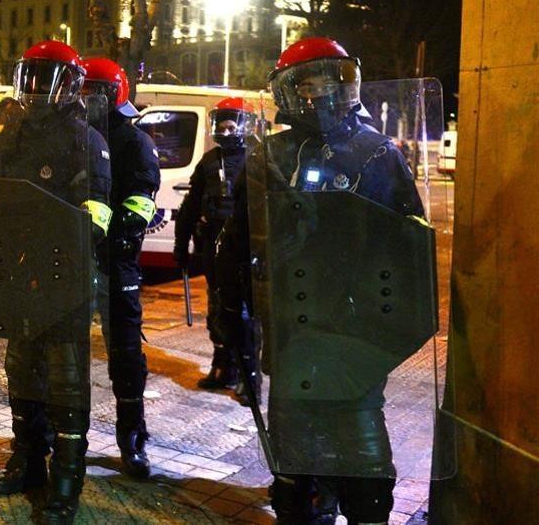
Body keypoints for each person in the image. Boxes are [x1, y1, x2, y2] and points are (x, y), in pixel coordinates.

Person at [216, 37, 428, 524]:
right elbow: (238, 240)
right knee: (296, 475)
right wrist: (232, 311)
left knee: (365, 468)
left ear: (346, 83)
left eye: (329, 82)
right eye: (307, 84)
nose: (320, 94)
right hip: (292, 330)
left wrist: (389, 322)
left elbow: (409, 246)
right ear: (289, 92)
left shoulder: (377, 153)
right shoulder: (269, 155)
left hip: (355, 335)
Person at [0, 41, 112, 524]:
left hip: (65, 281)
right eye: (31, 76)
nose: (36, 87)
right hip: (20, 275)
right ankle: (26, 460)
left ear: (71, 86)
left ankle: (66, 482)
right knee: (21, 372)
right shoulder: (11, 134)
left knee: (65, 382)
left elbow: (95, 215)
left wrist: (64, 241)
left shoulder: (85, 140)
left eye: (47, 78)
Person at [80, 57, 160, 479]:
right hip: (72, 260)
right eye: (85, 89)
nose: (91, 98)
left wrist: (120, 234)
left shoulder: (135, 142)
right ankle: (69, 437)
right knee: (65, 355)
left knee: (126, 356)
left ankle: (133, 439)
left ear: (117, 94)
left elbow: (141, 199)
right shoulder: (73, 136)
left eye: (100, 91)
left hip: (115, 263)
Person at [173, 97, 257, 400]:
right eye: (220, 123)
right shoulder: (209, 162)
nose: (226, 129)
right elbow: (191, 205)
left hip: (245, 249)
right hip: (213, 246)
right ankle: (223, 366)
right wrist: (180, 246)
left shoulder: (256, 159)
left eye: (231, 123)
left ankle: (250, 376)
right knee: (217, 308)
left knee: (245, 313)